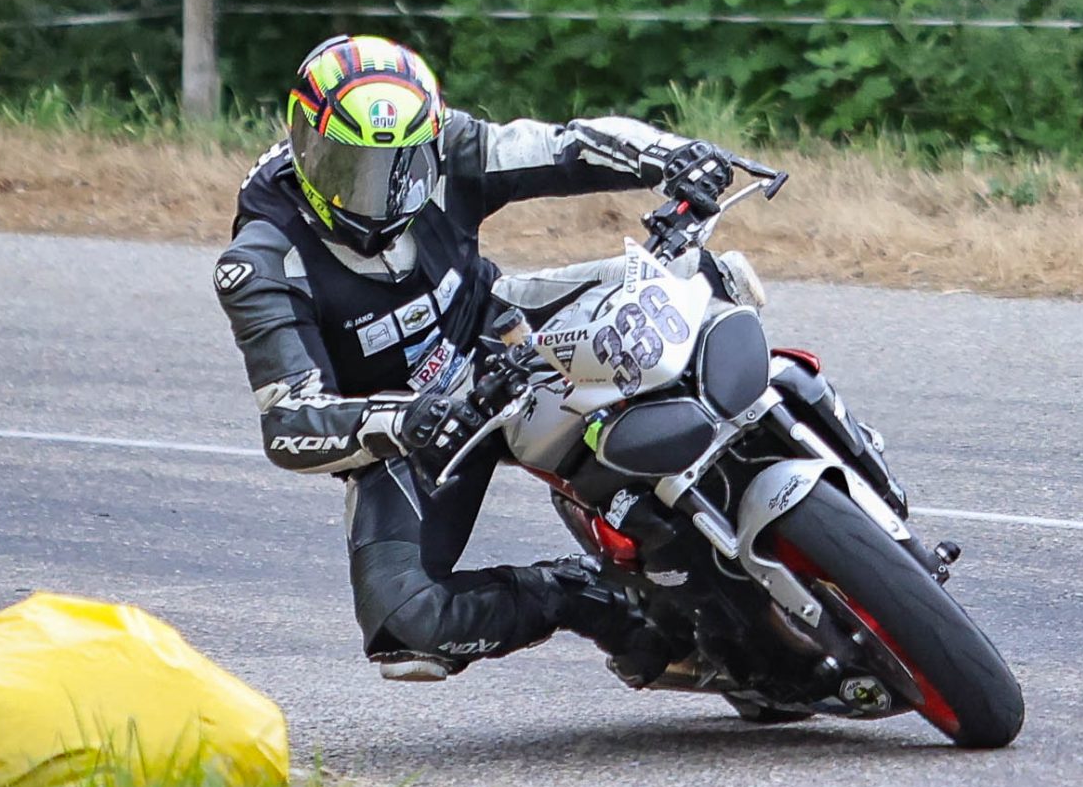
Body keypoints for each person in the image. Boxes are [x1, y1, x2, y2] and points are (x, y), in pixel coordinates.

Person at [213, 34, 747, 683]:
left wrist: (670, 156)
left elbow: (565, 145)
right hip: (413, 428)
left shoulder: (449, 144)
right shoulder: (263, 261)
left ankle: (805, 446)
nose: (377, 195)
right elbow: (290, 425)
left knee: (702, 279)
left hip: (503, 330)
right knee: (406, 629)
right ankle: (584, 594)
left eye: (399, 168)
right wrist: (404, 421)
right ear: (304, 144)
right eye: (348, 168)